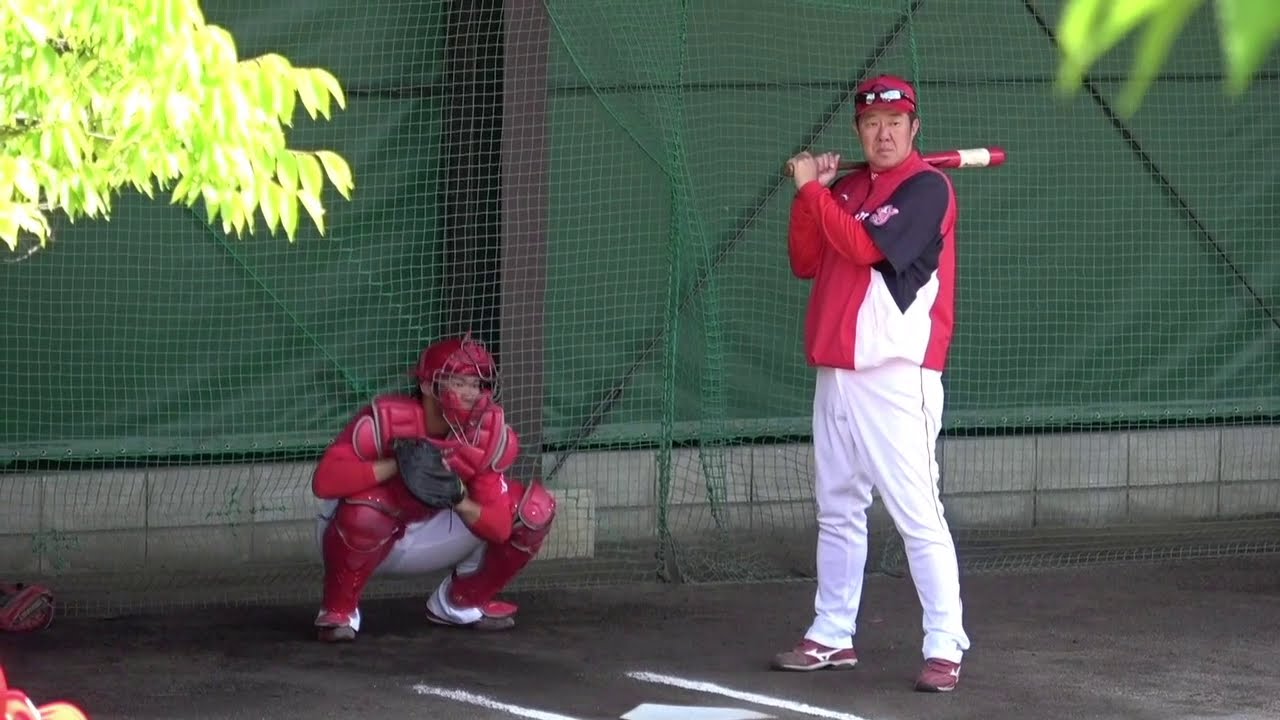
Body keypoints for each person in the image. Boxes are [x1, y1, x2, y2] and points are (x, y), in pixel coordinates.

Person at [771, 74, 970, 692]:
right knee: (837, 508)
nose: (883, 135)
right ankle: (832, 632)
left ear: (914, 128)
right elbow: (806, 260)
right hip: (837, 370)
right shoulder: (849, 188)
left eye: (895, 123)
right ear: (859, 130)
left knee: (917, 514)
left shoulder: (928, 188)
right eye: (871, 124)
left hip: (897, 374)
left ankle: (945, 644)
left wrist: (814, 190)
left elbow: (862, 247)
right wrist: (813, 198)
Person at [309, 332, 556, 642]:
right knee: (367, 510)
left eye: (477, 384)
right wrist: (397, 465)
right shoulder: (386, 421)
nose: (471, 393)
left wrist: (460, 498)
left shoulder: (485, 436)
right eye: (459, 382)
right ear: (427, 385)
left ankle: (459, 603)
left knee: (535, 508)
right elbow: (325, 481)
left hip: (434, 530)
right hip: (362, 534)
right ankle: (339, 610)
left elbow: (499, 528)